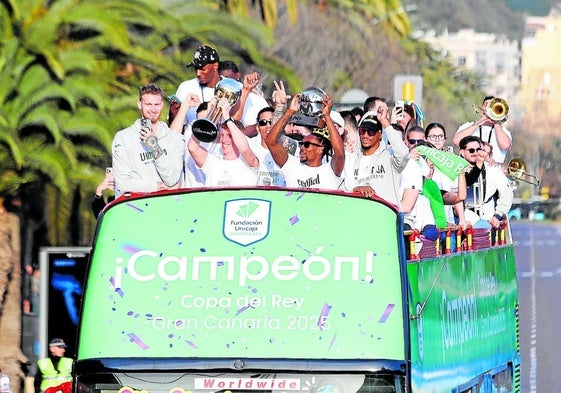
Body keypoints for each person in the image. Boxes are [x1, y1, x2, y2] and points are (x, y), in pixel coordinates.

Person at [112, 83, 185, 197]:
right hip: (135, 208)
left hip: (166, 207)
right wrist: (157, 187)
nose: (153, 109)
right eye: (148, 104)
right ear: (139, 104)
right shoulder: (123, 138)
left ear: (162, 105)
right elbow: (122, 184)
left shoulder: (176, 139)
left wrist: (153, 145)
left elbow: (172, 179)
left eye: (156, 104)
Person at [265, 91, 345, 190]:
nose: (302, 147)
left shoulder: (330, 170)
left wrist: (327, 117)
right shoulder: (292, 166)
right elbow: (270, 142)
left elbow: (340, 152)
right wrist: (290, 111)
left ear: (321, 149)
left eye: (307, 144)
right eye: (302, 143)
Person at [341, 108, 409, 207]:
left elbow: (403, 153)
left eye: (371, 131)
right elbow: (344, 191)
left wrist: (384, 122)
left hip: (385, 216)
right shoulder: (350, 160)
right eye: (362, 131)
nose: (365, 135)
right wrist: (356, 189)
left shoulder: (389, 159)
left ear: (380, 134)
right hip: (357, 214)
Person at [188, 98, 259, 186]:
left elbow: (244, 149)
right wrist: (206, 120)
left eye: (230, 136)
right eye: (222, 135)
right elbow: (192, 147)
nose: (224, 139)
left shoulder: (249, 164)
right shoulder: (213, 162)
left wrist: (227, 118)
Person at [459, 135, 514, 228]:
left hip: (486, 220)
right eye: (471, 150)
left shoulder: (491, 168)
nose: (476, 153)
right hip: (460, 220)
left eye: (479, 150)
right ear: (462, 152)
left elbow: (506, 192)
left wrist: (497, 215)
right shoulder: (455, 168)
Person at [169, 45, 222, 125]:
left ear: (215, 66)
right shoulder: (185, 87)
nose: (198, 73)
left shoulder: (230, 88)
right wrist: (173, 114)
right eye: (195, 68)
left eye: (202, 69)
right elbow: (175, 127)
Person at [452, 96, 512, 164]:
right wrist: (477, 123)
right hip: (468, 169)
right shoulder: (468, 126)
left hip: (492, 170)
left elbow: (505, 146)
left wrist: (495, 122)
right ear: (481, 108)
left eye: (492, 106)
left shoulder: (503, 131)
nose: (488, 108)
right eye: (486, 104)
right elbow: (456, 142)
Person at [218, 60, 268, 138]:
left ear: (237, 75)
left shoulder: (258, 100)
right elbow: (232, 120)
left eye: (228, 78)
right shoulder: (218, 97)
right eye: (222, 79)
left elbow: (267, 125)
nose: (226, 83)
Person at [250, 107, 286, 186]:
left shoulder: (289, 148)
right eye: (263, 122)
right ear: (257, 128)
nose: (268, 126)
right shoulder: (251, 148)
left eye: (272, 122)